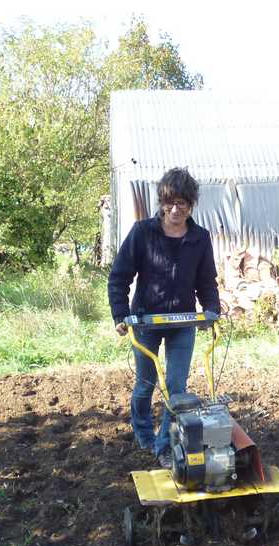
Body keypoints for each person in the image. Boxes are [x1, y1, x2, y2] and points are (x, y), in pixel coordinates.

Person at [108, 167, 221, 468]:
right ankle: (144, 433)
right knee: (145, 383)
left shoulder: (200, 238)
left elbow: (206, 280)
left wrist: (211, 310)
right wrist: (121, 314)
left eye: (181, 203)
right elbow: (119, 277)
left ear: (191, 204)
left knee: (176, 387)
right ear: (161, 202)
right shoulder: (142, 233)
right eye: (169, 203)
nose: (174, 209)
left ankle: (164, 445)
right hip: (146, 320)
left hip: (183, 323)